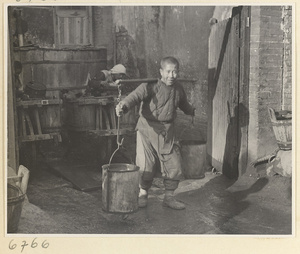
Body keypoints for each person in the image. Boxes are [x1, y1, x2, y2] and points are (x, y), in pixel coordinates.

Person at [115, 56, 195, 210]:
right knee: (146, 165)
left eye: (175, 72)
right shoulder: (151, 86)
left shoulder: (178, 88)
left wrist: (191, 110)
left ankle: (169, 197)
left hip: (167, 133)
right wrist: (123, 106)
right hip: (147, 130)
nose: (172, 76)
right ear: (161, 72)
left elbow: (183, 103)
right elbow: (134, 97)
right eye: (168, 72)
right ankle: (143, 194)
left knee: (174, 164)